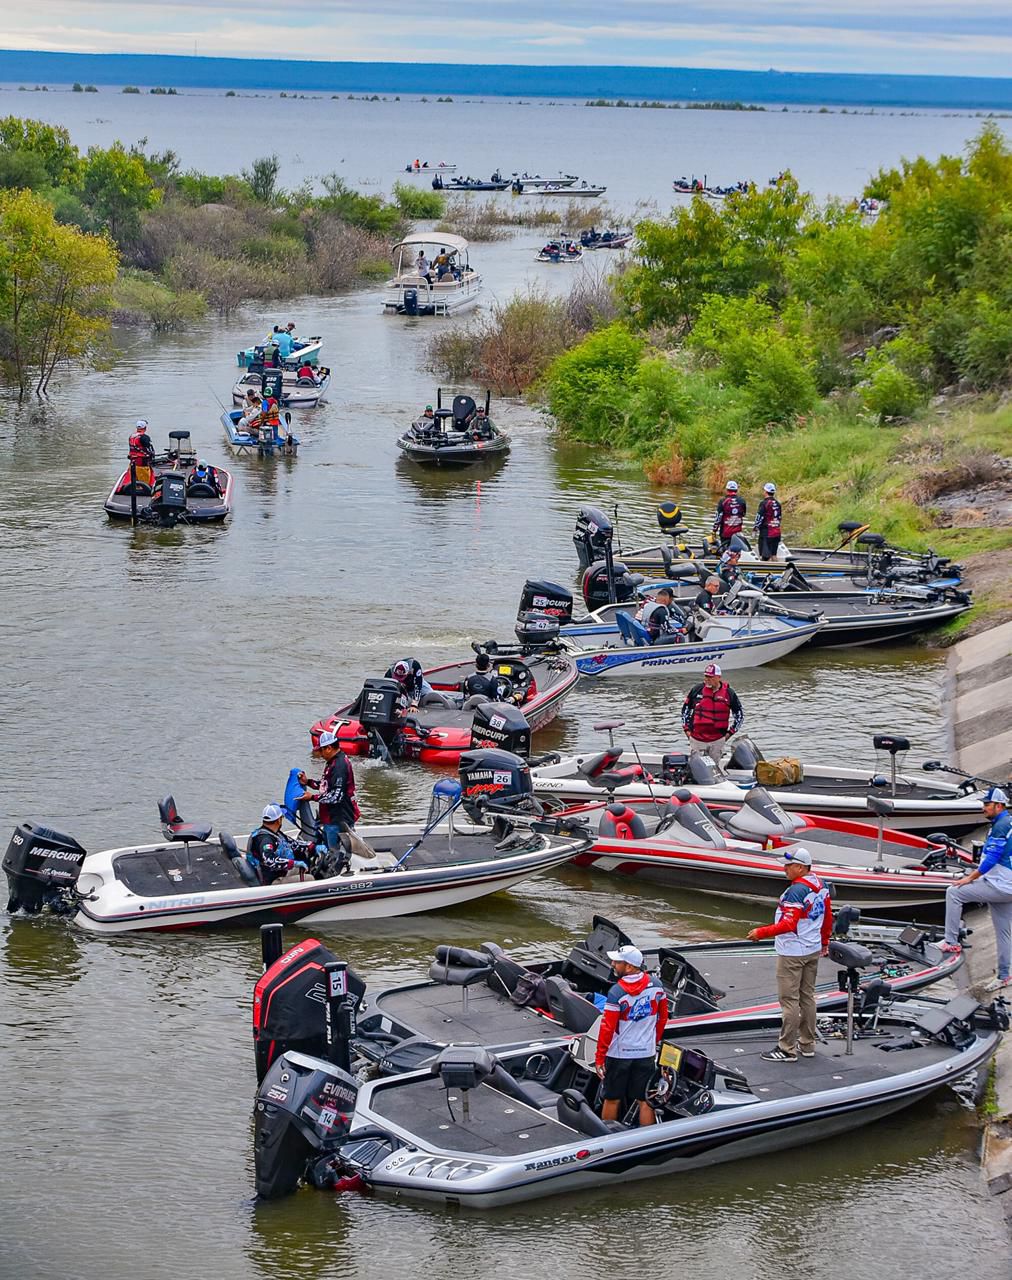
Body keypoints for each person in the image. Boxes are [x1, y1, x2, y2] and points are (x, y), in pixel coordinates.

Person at [747, 848, 833, 1062]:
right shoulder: (821, 884)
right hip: (812, 949)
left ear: (800, 867)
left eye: (788, 865)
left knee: (789, 1001)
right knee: (807, 997)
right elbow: (827, 917)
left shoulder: (796, 891)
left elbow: (788, 924)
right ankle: (807, 1044)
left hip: (793, 952)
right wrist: (824, 942)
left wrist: (761, 933)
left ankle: (787, 1049)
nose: (784, 869)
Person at [939, 787, 1012, 991]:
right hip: (1006, 885)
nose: (983, 808)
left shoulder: (1000, 826)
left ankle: (951, 942)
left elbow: (992, 859)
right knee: (1003, 933)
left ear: (999, 806)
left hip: (1000, 885)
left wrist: (970, 878)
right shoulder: (1006, 822)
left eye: (987, 804)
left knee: (954, 893)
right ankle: (1004, 976)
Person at [595, 945, 669, 1126]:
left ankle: (607, 1136)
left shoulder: (616, 993)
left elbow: (607, 1028)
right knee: (645, 1100)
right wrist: (653, 1042)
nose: (613, 964)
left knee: (612, 1098)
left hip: (619, 1055)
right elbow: (663, 1018)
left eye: (617, 962)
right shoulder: (657, 987)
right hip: (645, 1054)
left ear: (629, 966)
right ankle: (648, 1137)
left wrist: (599, 1057)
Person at [299, 729, 359, 865]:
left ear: (329, 748)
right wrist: (308, 782)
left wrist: (312, 797)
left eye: (321, 750)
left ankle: (335, 872)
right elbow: (326, 786)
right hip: (329, 819)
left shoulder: (340, 766)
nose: (320, 754)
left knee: (334, 855)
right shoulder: (332, 762)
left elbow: (335, 796)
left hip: (338, 820)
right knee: (329, 851)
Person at [681, 663, 744, 762]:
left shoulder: (729, 693)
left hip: (717, 740)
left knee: (714, 768)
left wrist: (729, 734)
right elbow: (685, 711)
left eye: (711, 677)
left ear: (718, 677)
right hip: (697, 740)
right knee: (698, 767)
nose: (707, 679)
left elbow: (739, 716)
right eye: (706, 676)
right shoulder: (697, 690)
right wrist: (687, 731)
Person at [246, 804, 308, 885]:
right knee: (311, 878)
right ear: (279, 820)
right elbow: (270, 860)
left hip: (281, 872)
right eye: (282, 817)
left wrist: (312, 846)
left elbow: (293, 843)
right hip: (272, 881)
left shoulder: (275, 833)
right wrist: (294, 863)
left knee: (306, 867)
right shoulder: (265, 839)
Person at [754, 483, 783, 561]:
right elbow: (780, 518)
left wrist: (756, 527)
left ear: (765, 491)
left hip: (767, 533)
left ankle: (764, 568)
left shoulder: (764, 503)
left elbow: (759, 517)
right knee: (774, 554)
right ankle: (777, 567)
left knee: (764, 557)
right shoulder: (778, 503)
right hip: (776, 532)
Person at [713, 480, 747, 548]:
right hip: (737, 533)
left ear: (727, 490)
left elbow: (718, 518)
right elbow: (743, 514)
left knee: (725, 550)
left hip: (725, 532)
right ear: (736, 490)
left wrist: (714, 530)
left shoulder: (723, 501)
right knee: (736, 550)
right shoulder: (742, 501)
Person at [128, 419, 156, 486]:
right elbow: (149, 450)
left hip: (133, 463)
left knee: (134, 481)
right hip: (142, 464)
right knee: (144, 484)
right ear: (145, 428)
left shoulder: (131, 436)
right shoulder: (144, 438)